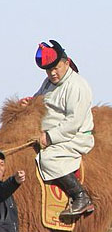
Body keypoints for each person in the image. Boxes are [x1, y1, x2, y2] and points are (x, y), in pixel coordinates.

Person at [32, 40, 95, 221]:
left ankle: (80, 196)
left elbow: (72, 123)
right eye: (48, 70)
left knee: (48, 158)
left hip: (74, 137)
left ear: (66, 63)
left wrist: (49, 137)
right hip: (50, 132)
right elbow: (38, 99)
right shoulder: (49, 82)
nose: (52, 73)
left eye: (56, 68)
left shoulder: (77, 86)